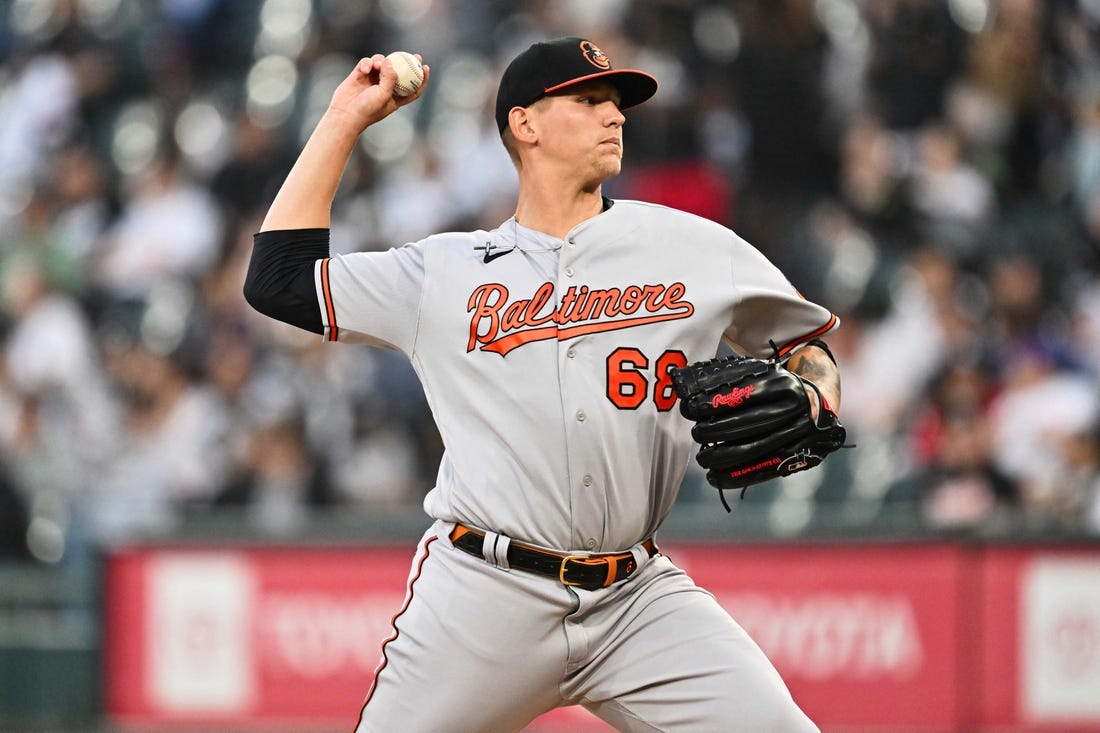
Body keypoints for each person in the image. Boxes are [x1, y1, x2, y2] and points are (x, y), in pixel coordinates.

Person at [245, 37, 840, 733]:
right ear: (524, 124)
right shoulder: (444, 272)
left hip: (636, 601)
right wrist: (345, 118)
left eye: (616, 104)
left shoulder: (694, 247)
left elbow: (807, 346)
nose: (614, 116)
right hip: (483, 596)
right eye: (588, 101)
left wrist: (816, 394)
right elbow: (278, 281)